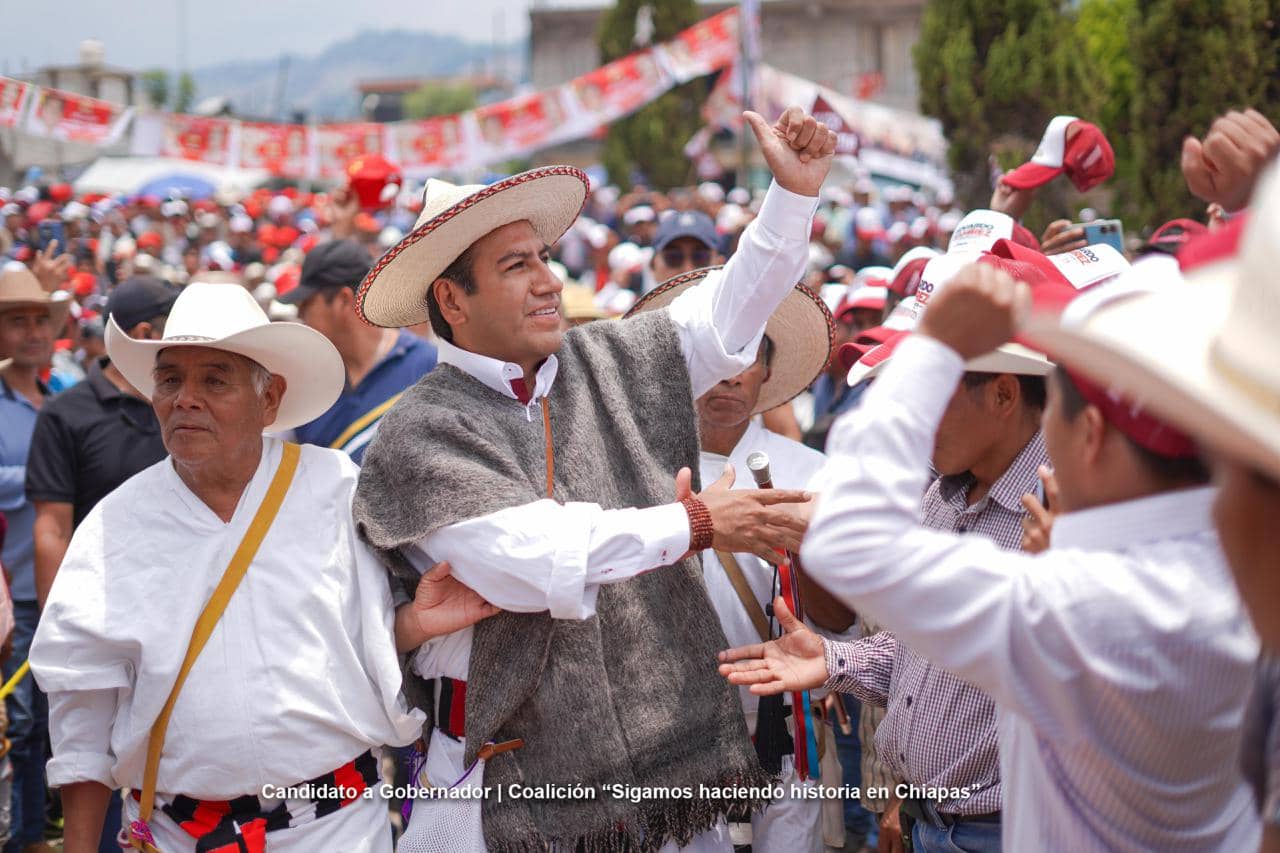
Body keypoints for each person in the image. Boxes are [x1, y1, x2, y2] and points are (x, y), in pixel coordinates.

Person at [352, 106, 836, 852]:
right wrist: (699, 523)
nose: (549, 281)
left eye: (544, 256)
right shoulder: (421, 429)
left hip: (660, 787)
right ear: (452, 300)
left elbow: (725, 320)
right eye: (517, 266)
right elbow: (531, 560)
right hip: (500, 797)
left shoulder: (605, 358)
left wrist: (792, 198)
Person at [721, 261, 1260, 850]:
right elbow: (928, 650)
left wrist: (934, 347)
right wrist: (838, 660)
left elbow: (855, 539)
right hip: (940, 821)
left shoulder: (1083, 578)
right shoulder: (1199, 574)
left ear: (1091, 431)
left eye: (937, 391)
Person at [28, 282, 490, 853]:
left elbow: (349, 645)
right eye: (170, 379)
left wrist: (413, 624)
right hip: (176, 835)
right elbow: (83, 713)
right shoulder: (114, 526)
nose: (185, 398)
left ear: (269, 399)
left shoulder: (338, 489)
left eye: (214, 379)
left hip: (337, 830)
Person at [628, 269, 842, 852]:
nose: (728, 375)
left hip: (783, 717)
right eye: (713, 356)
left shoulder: (810, 472)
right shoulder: (636, 469)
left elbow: (842, 616)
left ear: (766, 372)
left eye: (745, 356)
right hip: (672, 723)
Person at [24, 274, 177, 852]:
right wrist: (62, 631)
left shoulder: (189, 408)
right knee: (91, 755)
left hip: (183, 619)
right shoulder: (68, 414)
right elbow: (51, 527)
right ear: (144, 335)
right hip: (103, 618)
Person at [0, 266, 67, 853]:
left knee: (56, 724)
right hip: (14, 594)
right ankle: (22, 835)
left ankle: (44, 828)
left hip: (63, 591)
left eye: (39, 320)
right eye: (17, 321)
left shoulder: (63, 397)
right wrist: (49, 480)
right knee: (17, 727)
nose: (31, 332)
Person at [283, 240, 437, 461]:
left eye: (307, 304)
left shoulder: (428, 366)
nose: (301, 316)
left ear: (343, 300)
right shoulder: (308, 390)